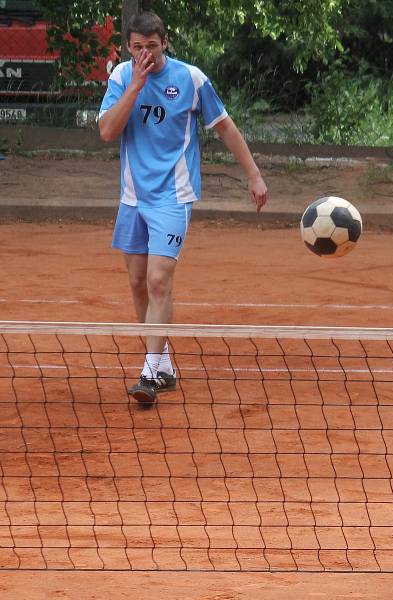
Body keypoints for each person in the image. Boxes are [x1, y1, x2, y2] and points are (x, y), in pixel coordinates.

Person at [98, 12, 268, 406]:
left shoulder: (191, 80)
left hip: (173, 198)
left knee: (159, 281)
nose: (145, 54)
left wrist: (254, 175)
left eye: (152, 47)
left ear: (166, 42)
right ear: (128, 47)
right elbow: (108, 131)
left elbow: (225, 126)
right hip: (132, 198)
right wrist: (137, 85)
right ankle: (164, 363)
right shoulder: (123, 77)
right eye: (137, 47)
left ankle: (149, 372)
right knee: (138, 283)